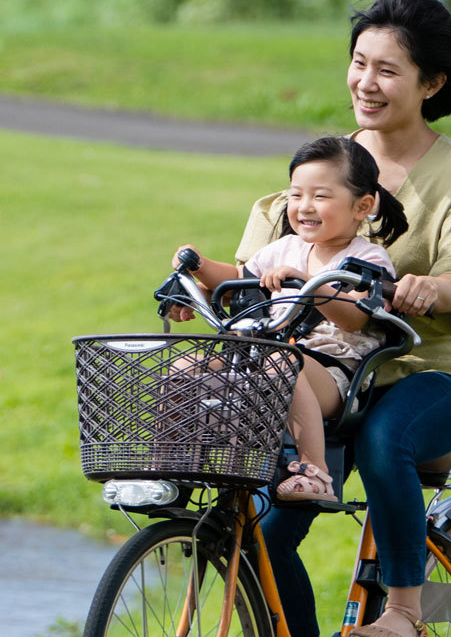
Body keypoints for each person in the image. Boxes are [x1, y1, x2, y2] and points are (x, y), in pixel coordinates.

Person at [238, 0, 451, 637]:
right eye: (359, 64)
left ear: (432, 83)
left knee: (389, 439)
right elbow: (264, 250)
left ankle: (403, 616)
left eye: (387, 70)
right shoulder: (331, 166)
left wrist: (430, 287)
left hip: (428, 366)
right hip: (329, 372)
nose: (366, 82)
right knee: (266, 531)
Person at [172, 136, 407, 503]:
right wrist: (199, 266)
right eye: (296, 195)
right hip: (267, 358)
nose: (304, 207)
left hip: (331, 376)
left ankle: (316, 472)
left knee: (283, 362)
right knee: (188, 364)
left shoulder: (368, 259)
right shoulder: (285, 247)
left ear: (362, 206)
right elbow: (237, 280)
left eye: (321, 196)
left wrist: (310, 284)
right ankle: (169, 460)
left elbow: (353, 319)